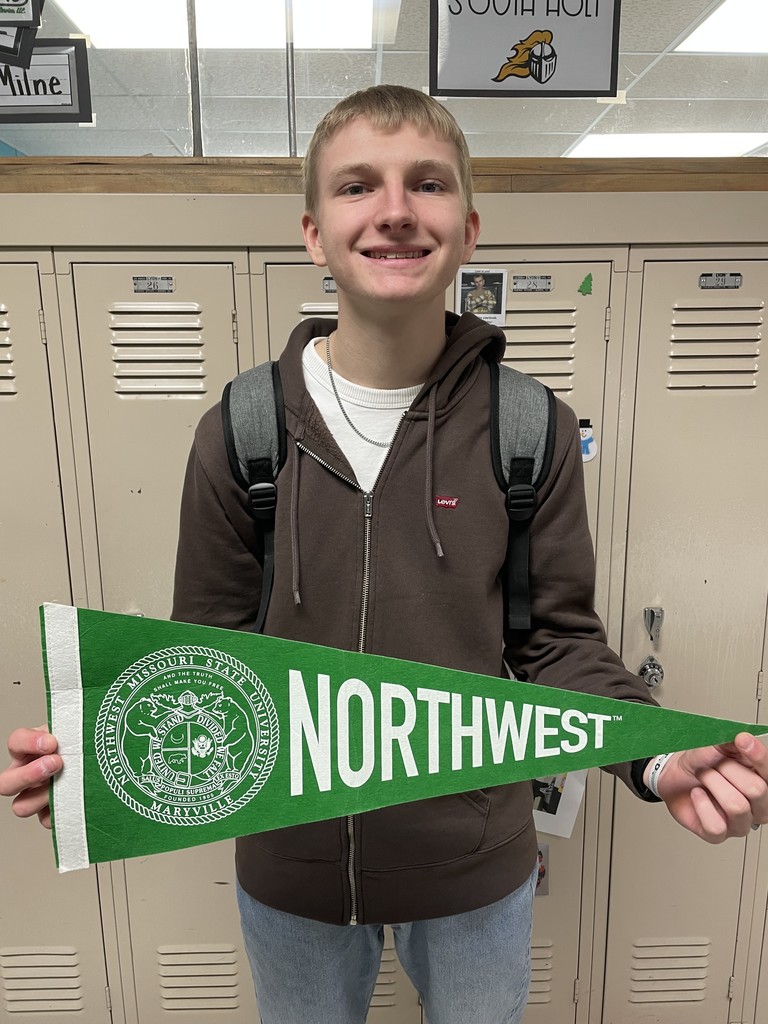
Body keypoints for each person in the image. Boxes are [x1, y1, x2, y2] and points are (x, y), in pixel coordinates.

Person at [2, 85, 767, 1024]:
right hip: (291, 871)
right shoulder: (242, 431)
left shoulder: (531, 430)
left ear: (469, 227)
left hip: (477, 870)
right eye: (358, 186)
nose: (395, 209)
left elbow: (557, 643)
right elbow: (204, 661)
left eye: (427, 184)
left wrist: (656, 754)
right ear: (316, 233)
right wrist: (96, 761)